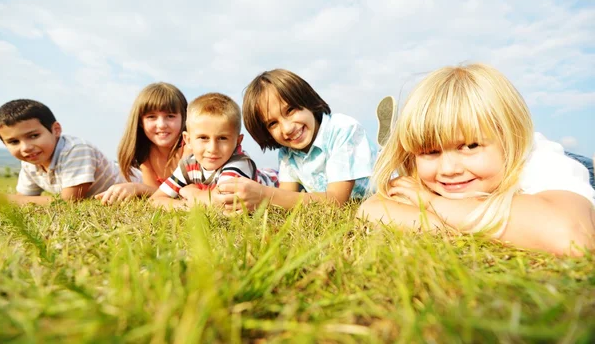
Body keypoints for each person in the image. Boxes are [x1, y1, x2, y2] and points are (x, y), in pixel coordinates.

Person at [358, 64, 595, 256]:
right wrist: (448, 226)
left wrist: (433, 204)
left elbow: (569, 236)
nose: (448, 169)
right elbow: (370, 209)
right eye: (430, 151)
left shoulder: (542, 162)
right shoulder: (426, 173)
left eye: (470, 146)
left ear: (510, 139)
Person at [214, 69, 378, 212]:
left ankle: (385, 149)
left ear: (306, 100)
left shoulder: (342, 129)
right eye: (273, 123)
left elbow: (336, 201)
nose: (287, 128)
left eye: (290, 110)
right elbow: (286, 198)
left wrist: (264, 194)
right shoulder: (287, 153)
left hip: (382, 195)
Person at [149, 92, 278, 211]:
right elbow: (155, 200)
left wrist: (192, 192)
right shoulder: (188, 165)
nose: (212, 149)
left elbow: (221, 204)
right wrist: (186, 206)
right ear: (187, 140)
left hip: (275, 179)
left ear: (238, 142)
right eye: (203, 138)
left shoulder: (239, 163)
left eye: (222, 138)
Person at [0, 99, 129, 205]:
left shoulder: (76, 149)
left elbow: (69, 202)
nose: (25, 147)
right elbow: (24, 199)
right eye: (14, 142)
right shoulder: (30, 162)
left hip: (136, 186)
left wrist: (4, 200)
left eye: (34, 136)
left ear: (56, 130)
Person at [96, 82, 188, 204]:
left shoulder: (191, 149)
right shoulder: (146, 153)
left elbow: (185, 194)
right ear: (140, 121)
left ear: (184, 118)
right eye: (151, 117)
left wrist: (139, 188)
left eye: (170, 116)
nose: (161, 125)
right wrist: (135, 188)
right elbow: (156, 194)